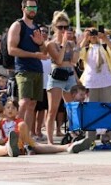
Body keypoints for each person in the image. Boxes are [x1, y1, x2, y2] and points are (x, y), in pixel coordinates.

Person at [6, 0, 47, 140]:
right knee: (23, 102)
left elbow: (44, 52)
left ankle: (26, 137)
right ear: (23, 8)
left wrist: (41, 43)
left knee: (32, 104)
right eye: (29, 7)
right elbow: (11, 50)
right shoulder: (18, 25)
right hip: (23, 69)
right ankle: (14, 134)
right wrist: (34, 54)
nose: (32, 10)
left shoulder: (36, 28)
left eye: (35, 7)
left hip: (37, 69)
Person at [79, 25, 111, 147]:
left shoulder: (104, 46)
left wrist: (105, 38)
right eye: (92, 34)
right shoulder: (86, 47)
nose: (94, 36)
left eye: (95, 33)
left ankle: (106, 138)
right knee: (91, 110)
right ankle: (90, 139)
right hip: (91, 83)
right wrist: (85, 39)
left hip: (107, 81)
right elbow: (79, 55)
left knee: (107, 110)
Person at [45, 10, 79, 145]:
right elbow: (58, 60)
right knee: (52, 109)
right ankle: (50, 141)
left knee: (72, 108)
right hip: (57, 76)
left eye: (66, 27)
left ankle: (74, 134)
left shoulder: (70, 44)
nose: (63, 30)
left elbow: (74, 61)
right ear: (54, 27)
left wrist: (78, 46)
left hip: (69, 75)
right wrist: (64, 44)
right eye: (60, 27)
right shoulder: (51, 44)